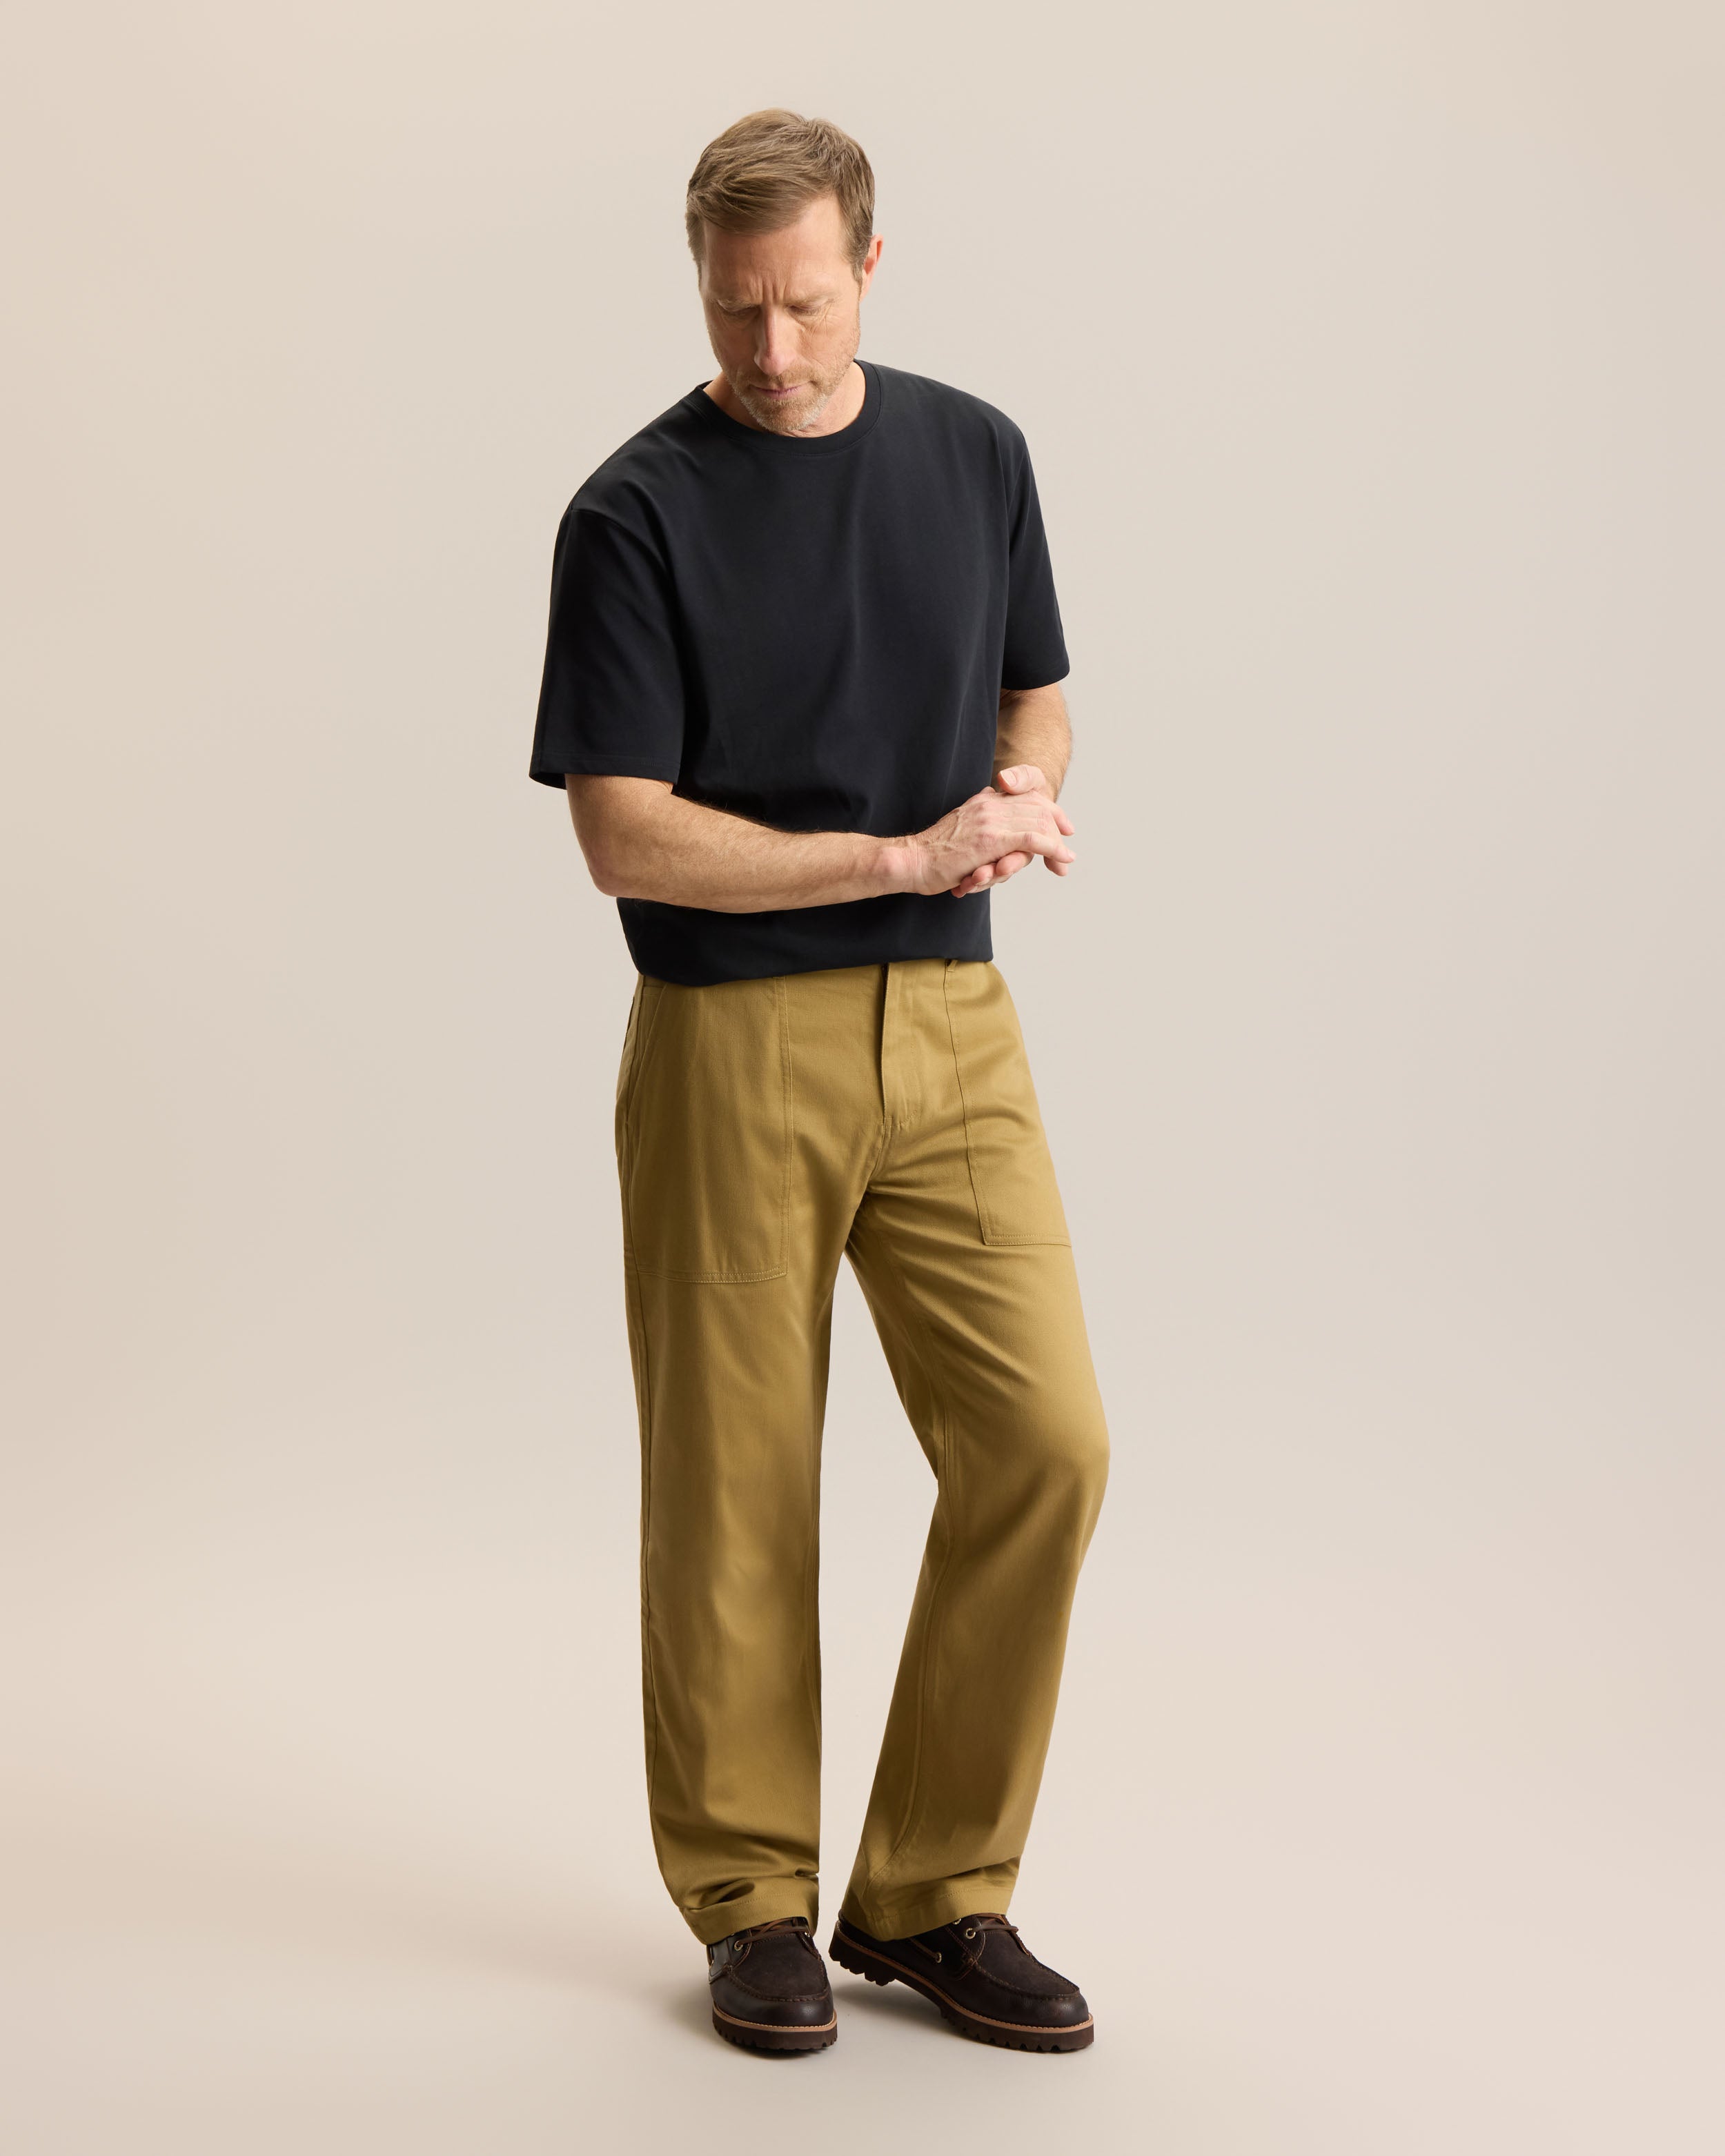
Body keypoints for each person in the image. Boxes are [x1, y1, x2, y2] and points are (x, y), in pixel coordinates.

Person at [529, 108, 1110, 2056]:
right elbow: (624, 832)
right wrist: (897, 855)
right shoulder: (633, 512)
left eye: (801, 302)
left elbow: (1035, 690)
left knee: (1046, 1442)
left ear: (871, 264)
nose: (769, 349)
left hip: (952, 1027)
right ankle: (751, 1898)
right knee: (736, 1486)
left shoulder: (976, 455)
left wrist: (1019, 792)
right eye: (732, 309)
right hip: (729, 1038)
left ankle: (933, 1894)